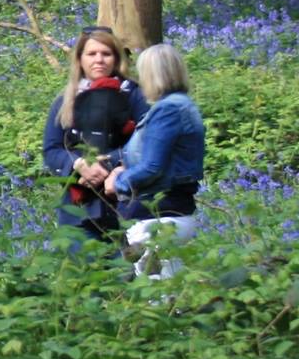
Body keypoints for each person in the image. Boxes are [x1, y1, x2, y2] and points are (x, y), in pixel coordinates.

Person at [41, 27, 148, 248]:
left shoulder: (135, 95)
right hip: (78, 208)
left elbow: (148, 142)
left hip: (125, 203)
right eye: (91, 54)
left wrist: (115, 165)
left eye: (106, 54)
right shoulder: (65, 100)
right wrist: (79, 164)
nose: (99, 60)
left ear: (116, 58)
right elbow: (51, 150)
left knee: (129, 276)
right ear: (80, 59)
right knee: (85, 277)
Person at [106, 43, 206, 277]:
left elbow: (152, 166)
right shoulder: (181, 106)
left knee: (158, 296)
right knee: (169, 288)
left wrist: (119, 182)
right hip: (170, 212)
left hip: (158, 216)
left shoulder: (168, 110)